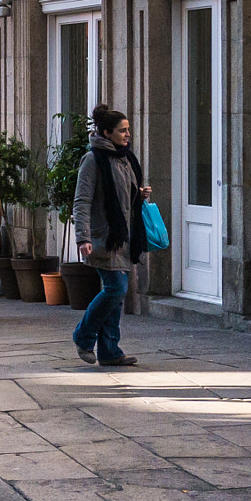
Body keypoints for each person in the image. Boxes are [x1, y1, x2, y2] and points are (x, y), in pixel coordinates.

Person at [72, 106, 151, 368]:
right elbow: (82, 201)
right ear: (107, 133)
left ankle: (109, 350)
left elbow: (122, 197)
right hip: (102, 239)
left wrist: (139, 194)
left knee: (116, 296)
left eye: (129, 129)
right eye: (123, 130)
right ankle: (83, 336)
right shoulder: (93, 160)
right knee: (116, 288)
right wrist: (83, 237)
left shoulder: (125, 158)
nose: (128, 134)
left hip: (123, 238)